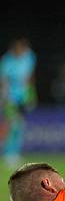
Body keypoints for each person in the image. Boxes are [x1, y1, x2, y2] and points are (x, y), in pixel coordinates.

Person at [0, 38, 37, 166]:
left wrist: (31, 95)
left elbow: (30, 77)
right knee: (13, 125)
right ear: (15, 49)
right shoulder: (7, 61)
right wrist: (5, 98)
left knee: (20, 126)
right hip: (9, 97)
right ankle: (8, 154)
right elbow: (4, 80)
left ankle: (15, 153)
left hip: (23, 97)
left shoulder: (29, 57)